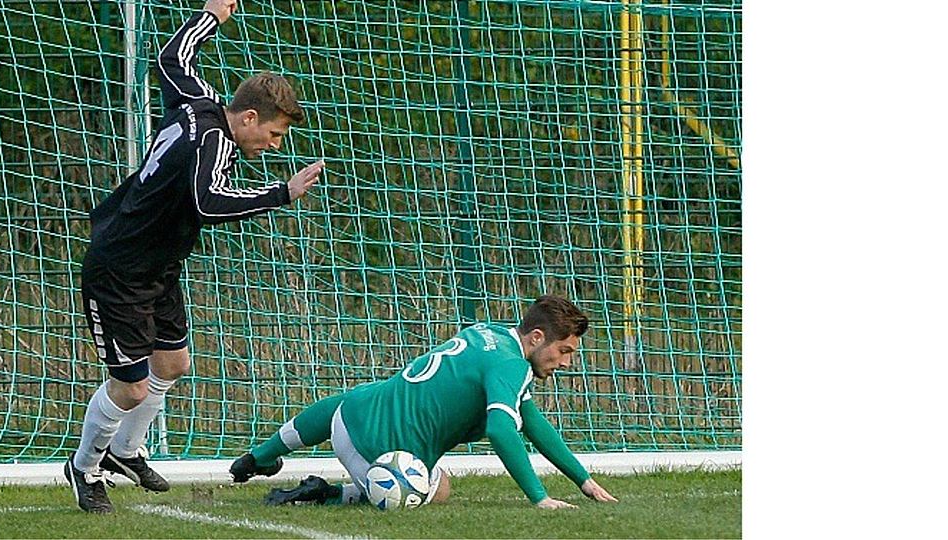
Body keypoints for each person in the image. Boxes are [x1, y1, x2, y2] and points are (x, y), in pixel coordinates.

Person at [64, 0, 326, 513]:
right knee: (132, 388)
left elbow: (171, 59)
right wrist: (280, 194)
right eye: (272, 135)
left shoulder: (199, 100)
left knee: (174, 362)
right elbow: (209, 202)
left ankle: (125, 451)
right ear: (248, 117)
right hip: (119, 270)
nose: (273, 146)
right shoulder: (212, 141)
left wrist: (210, 16)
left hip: (159, 266)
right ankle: (84, 467)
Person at [231, 295, 619, 509]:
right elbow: (503, 429)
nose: (566, 363)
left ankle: (258, 457)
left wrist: (582, 481)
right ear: (536, 338)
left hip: (348, 417)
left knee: (360, 398)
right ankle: (331, 494)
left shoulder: (488, 333)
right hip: (381, 461)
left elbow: (530, 421)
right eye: (564, 350)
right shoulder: (511, 366)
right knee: (439, 486)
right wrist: (540, 498)